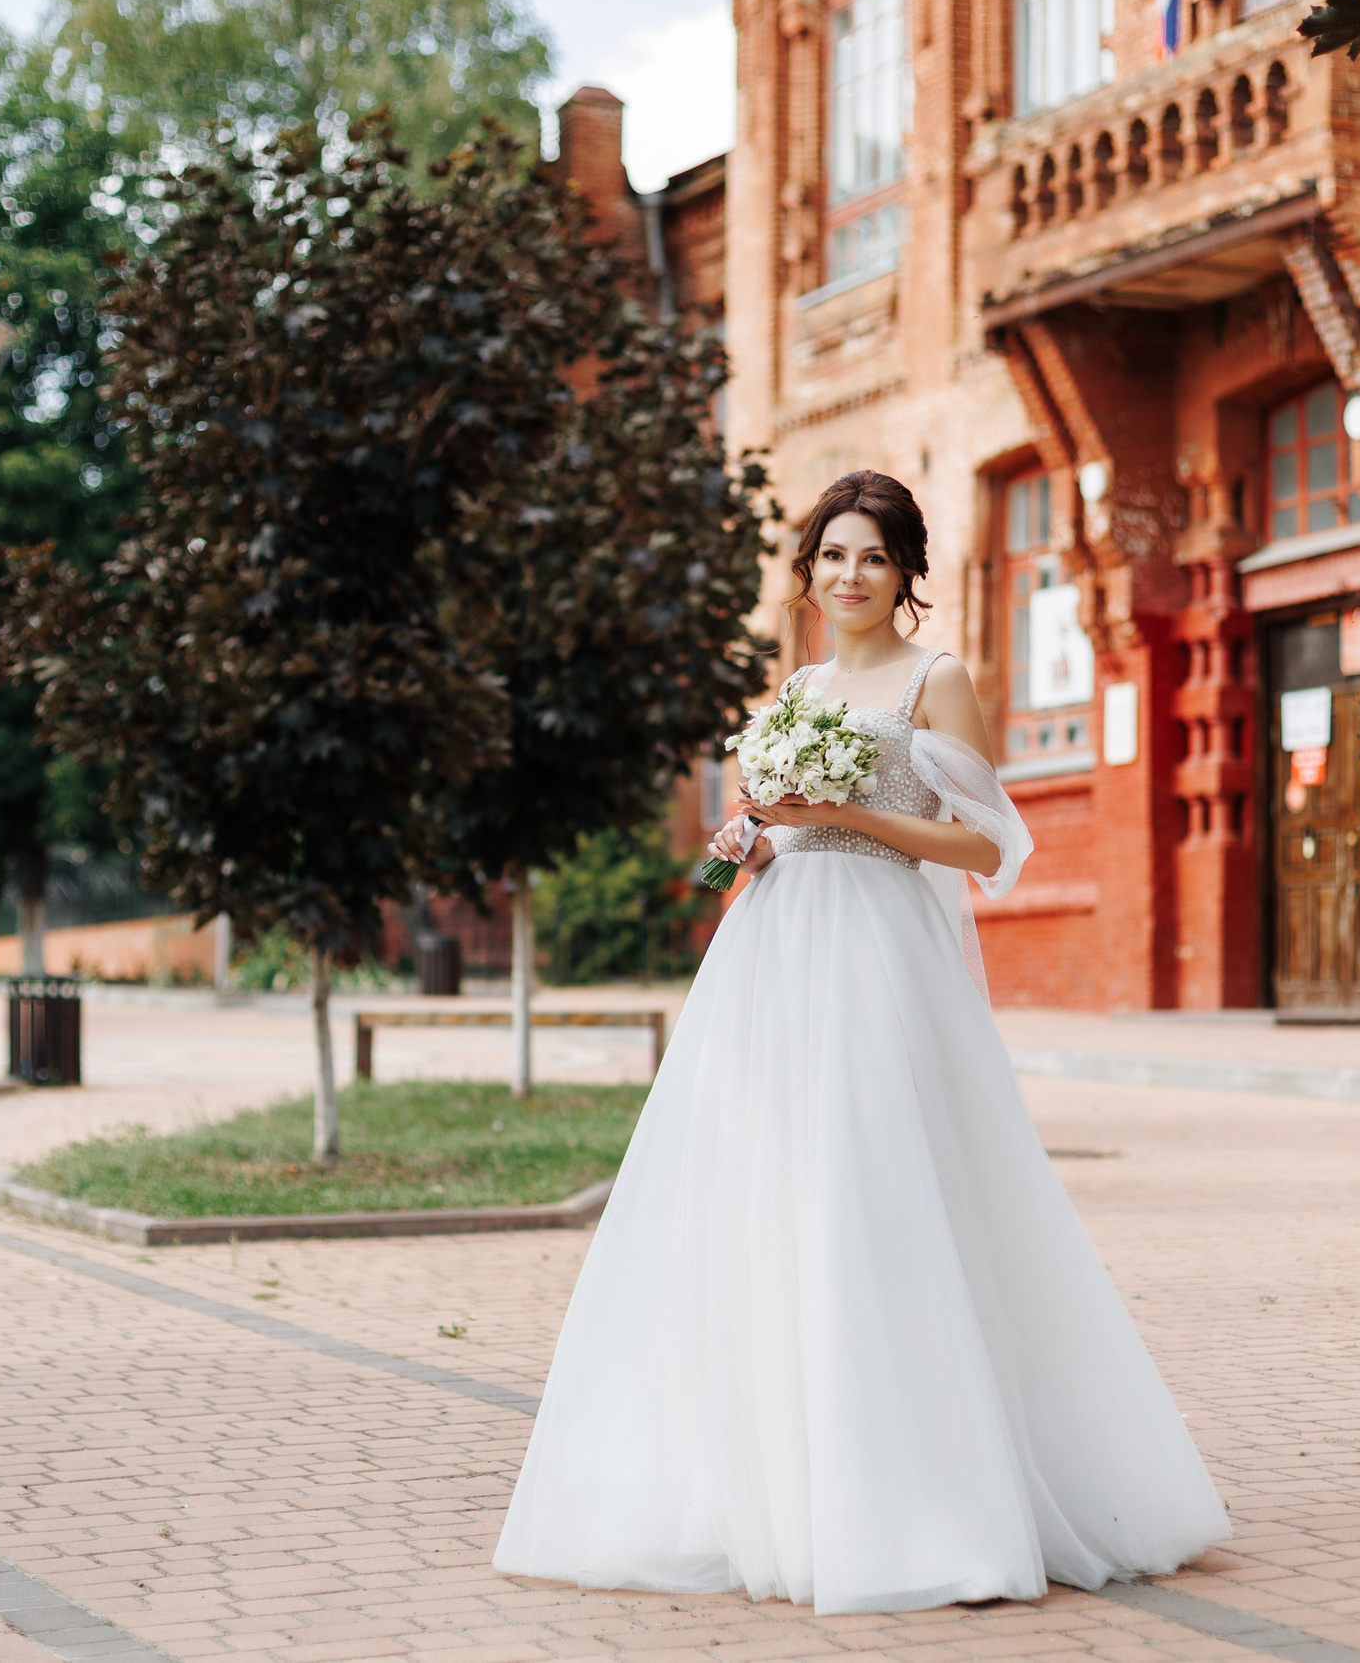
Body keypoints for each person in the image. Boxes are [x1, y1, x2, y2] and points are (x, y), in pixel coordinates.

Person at [493, 470, 1228, 1612]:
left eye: (872, 558)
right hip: (774, 954)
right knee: (763, 1197)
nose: (849, 577)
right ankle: (772, 1484)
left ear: (906, 574)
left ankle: (918, 1493)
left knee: (878, 1195)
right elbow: (785, 833)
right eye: (831, 556)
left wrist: (841, 814)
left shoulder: (938, 680)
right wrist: (753, 841)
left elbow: (987, 847)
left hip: (880, 961)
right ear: (808, 572)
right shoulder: (799, 687)